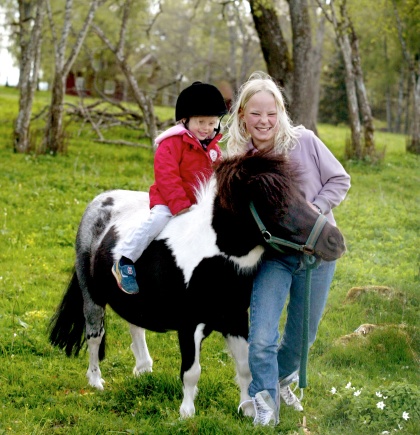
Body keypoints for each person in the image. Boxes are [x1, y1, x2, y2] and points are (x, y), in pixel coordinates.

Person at [226, 72, 351, 425]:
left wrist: (315, 209)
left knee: (302, 337)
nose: (264, 121)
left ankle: (281, 379)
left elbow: (340, 178)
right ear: (242, 117)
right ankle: (263, 399)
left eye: (271, 113)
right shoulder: (241, 162)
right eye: (255, 114)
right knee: (263, 335)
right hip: (274, 257)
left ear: (280, 112)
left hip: (317, 255)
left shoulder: (304, 142)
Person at [112, 81, 228, 294]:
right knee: (157, 220)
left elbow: (217, 178)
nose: (206, 128)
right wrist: (180, 205)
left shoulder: (213, 149)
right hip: (168, 201)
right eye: (201, 121)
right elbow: (167, 177)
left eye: (211, 123)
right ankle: (125, 260)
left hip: (198, 205)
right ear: (185, 120)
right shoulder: (171, 143)